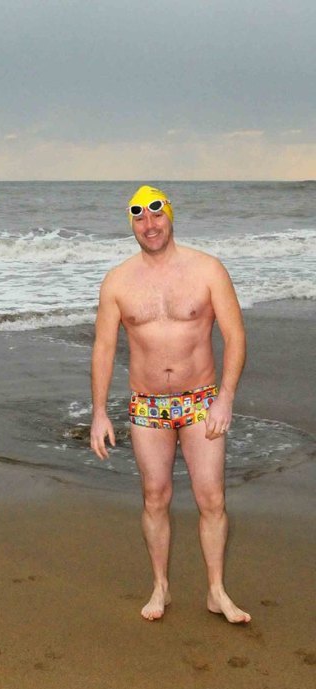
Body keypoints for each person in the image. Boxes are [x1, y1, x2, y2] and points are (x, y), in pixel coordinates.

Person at [90, 185, 250, 624]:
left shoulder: (207, 270)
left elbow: (235, 336)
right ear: (132, 225)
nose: (150, 225)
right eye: (139, 218)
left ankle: (217, 590)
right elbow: (104, 349)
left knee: (211, 498)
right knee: (155, 496)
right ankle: (160, 586)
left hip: (201, 401)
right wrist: (99, 411)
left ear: (170, 218)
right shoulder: (118, 281)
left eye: (156, 216)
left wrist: (225, 399)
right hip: (147, 405)